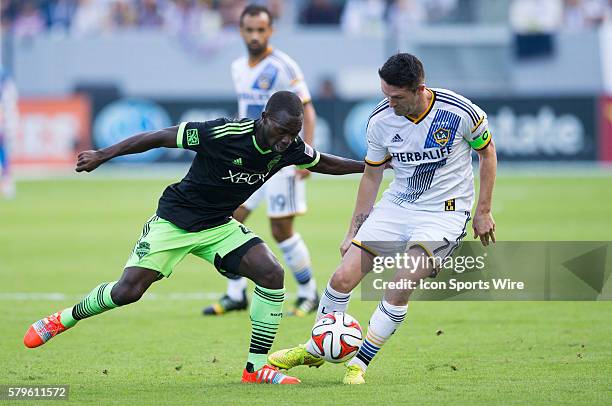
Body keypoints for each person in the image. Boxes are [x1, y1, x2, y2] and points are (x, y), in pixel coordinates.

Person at [23, 91, 365, 385]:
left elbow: (324, 163)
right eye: (281, 130)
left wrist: (372, 165)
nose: (287, 140)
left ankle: (256, 368)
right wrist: (103, 154)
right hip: (175, 221)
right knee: (127, 292)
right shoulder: (223, 133)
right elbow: (159, 136)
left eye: (293, 133)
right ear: (264, 118)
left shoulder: (288, 148)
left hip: (218, 226)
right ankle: (63, 319)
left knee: (271, 274)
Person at [268, 53, 497, 384]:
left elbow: (486, 153)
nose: (389, 102)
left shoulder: (461, 112)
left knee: (400, 284)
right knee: (342, 278)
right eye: (385, 94)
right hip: (397, 206)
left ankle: (358, 364)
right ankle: (316, 347)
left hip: (444, 212)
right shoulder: (380, 120)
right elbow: (372, 176)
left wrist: (483, 211)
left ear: (420, 89)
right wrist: (353, 230)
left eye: (396, 97)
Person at [203, 4, 319, 317]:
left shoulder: (284, 66)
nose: (255, 36)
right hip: (247, 158)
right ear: (241, 31)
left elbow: (307, 110)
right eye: (249, 30)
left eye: (261, 30)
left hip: (280, 159)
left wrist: (304, 157)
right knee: (228, 219)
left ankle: (309, 292)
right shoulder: (238, 66)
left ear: (271, 31)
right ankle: (235, 294)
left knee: (281, 229)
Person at [0, 66, 19, 199]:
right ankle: (6, 179)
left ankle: (6, 180)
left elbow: (7, 103)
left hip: (6, 119)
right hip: (6, 118)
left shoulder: (5, 83)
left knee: (3, 147)